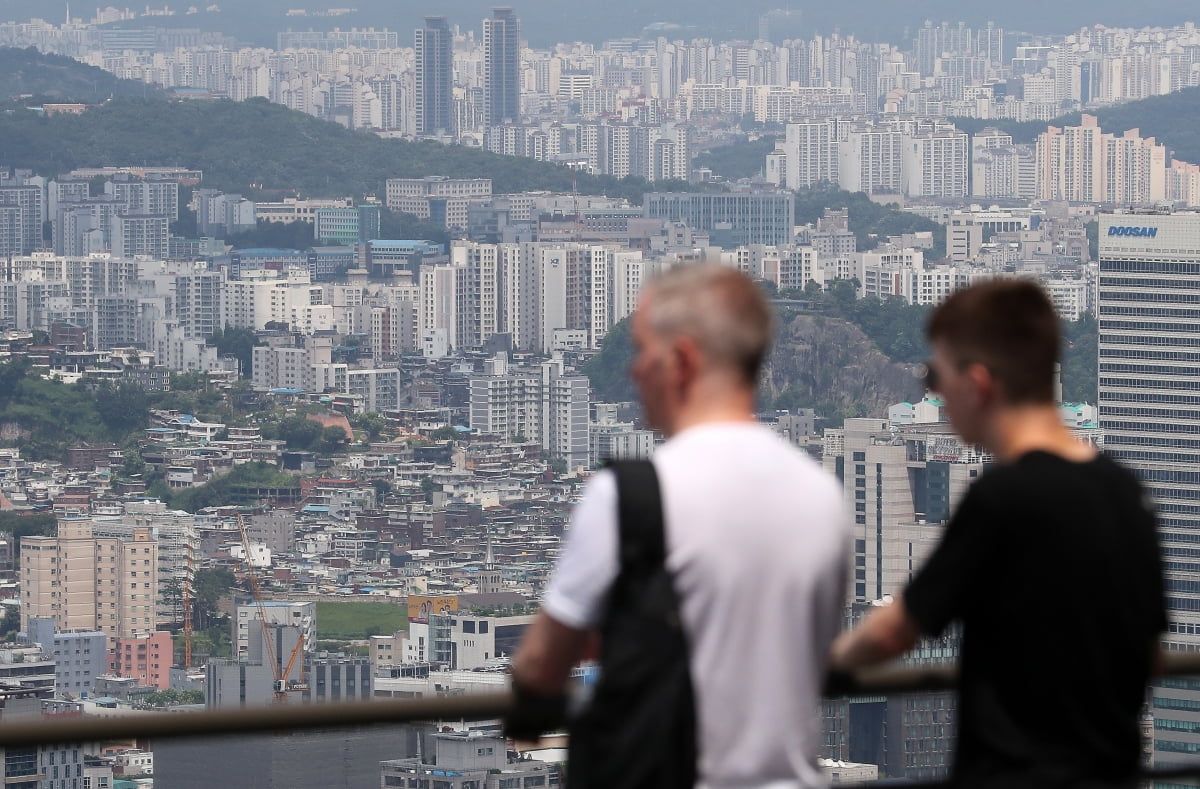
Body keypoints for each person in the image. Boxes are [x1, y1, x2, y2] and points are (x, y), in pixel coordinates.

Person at [512, 264, 849, 788]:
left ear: (682, 361)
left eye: (644, 351)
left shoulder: (631, 496)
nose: (635, 371)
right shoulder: (823, 495)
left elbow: (540, 664)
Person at [830, 279, 1166, 789]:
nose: (935, 396)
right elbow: (1147, 642)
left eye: (934, 377)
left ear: (979, 383)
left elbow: (896, 629)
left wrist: (822, 668)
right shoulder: (1126, 493)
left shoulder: (1004, 499)